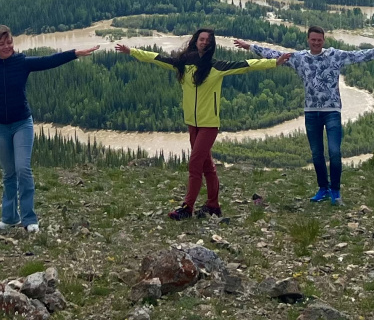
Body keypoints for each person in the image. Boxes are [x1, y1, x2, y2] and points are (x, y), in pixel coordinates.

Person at [0, 26, 100, 234]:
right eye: (2, 43)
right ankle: (9, 217)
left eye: (9, 42)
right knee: (9, 173)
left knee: (23, 169)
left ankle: (29, 218)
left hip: (22, 122)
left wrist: (74, 53)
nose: (6, 46)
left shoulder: (22, 63)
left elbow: (48, 61)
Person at [116, 28, 277, 220]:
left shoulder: (216, 67)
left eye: (208, 41)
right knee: (207, 166)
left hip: (209, 124)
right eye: (201, 39)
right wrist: (132, 52)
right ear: (195, 41)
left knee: (195, 165)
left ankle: (187, 208)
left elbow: (247, 65)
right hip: (192, 123)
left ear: (211, 45)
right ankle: (213, 206)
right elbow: (156, 58)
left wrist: (275, 61)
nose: (204, 43)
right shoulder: (184, 64)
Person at [236, 27, 374, 205]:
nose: (316, 43)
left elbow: (360, 55)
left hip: (332, 111)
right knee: (317, 154)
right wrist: (250, 47)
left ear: (324, 40)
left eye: (319, 40)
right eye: (313, 40)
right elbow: (274, 54)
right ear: (308, 40)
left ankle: (335, 190)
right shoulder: (300, 59)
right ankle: (323, 188)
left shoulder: (335, 56)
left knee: (334, 151)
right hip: (311, 113)